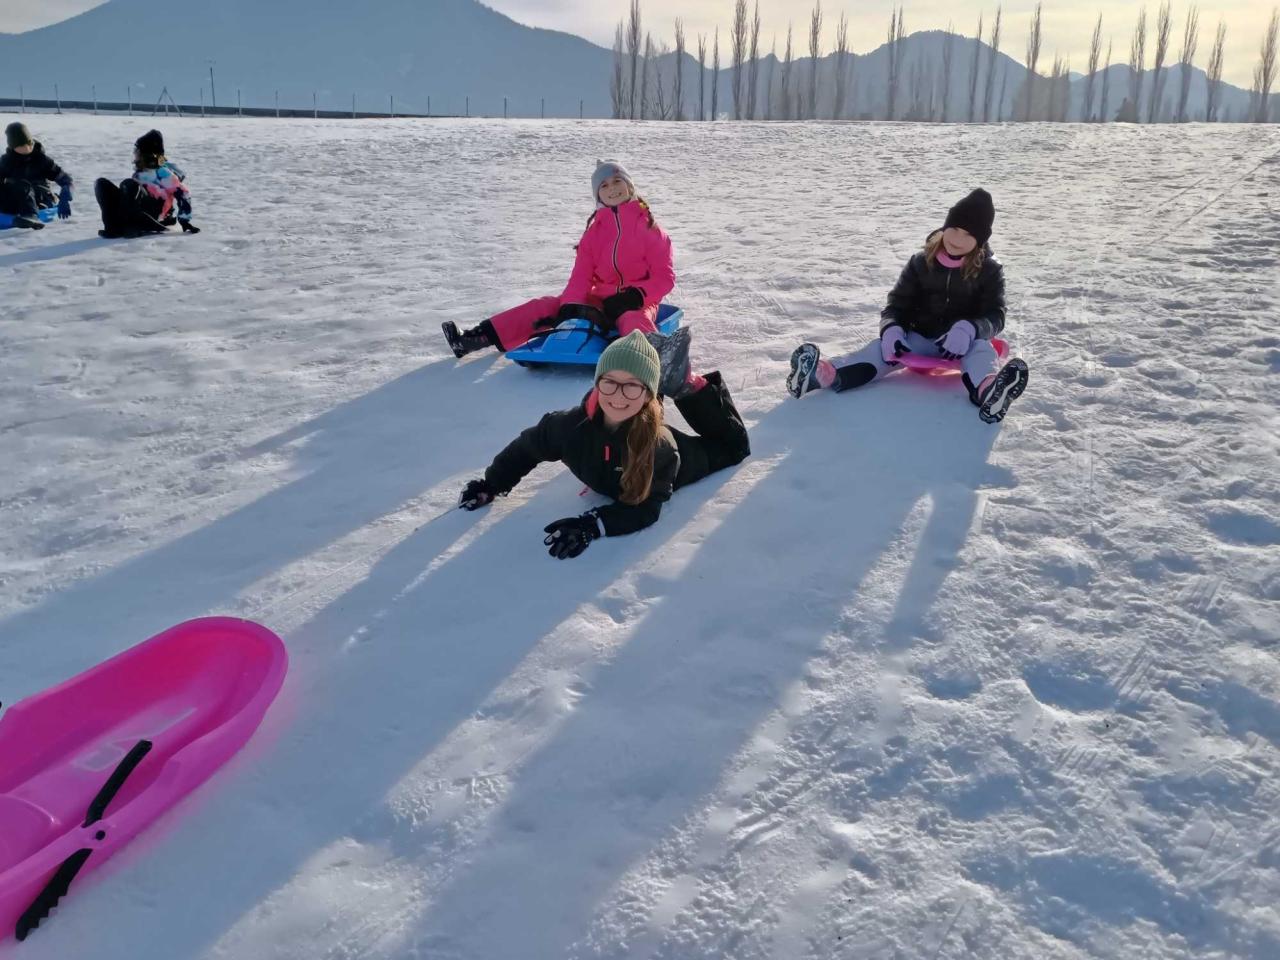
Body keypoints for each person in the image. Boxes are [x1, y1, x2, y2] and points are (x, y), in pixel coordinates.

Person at [458, 331, 750, 559]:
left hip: (695, 453)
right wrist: (491, 484)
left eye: (632, 385)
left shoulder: (660, 448)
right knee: (623, 407)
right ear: (597, 383)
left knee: (734, 448)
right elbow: (527, 448)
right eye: (609, 382)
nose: (618, 395)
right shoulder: (567, 427)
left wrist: (593, 525)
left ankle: (684, 382)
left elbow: (645, 508)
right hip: (634, 417)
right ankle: (651, 370)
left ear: (648, 394)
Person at [442, 160, 692, 396]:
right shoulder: (594, 234)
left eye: (617, 181)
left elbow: (664, 277)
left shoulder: (650, 229)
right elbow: (580, 276)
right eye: (604, 185)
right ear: (598, 195)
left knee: (632, 320)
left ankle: (657, 363)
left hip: (638, 300)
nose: (612, 189)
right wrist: (571, 305)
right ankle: (476, 337)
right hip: (600, 299)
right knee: (546, 305)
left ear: (629, 186)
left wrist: (636, 295)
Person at [786, 188, 1029, 423]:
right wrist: (892, 328)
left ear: (980, 240)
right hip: (919, 339)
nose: (957, 239)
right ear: (945, 226)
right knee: (880, 350)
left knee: (982, 352)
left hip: (964, 345)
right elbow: (896, 304)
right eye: (954, 228)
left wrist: (969, 329)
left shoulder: (989, 270)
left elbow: (996, 314)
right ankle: (822, 375)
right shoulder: (921, 262)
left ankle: (990, 392)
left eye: (968, 234)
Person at [95, 129, 200, 239]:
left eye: (137, 151)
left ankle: (132, 226)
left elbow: (183, 193)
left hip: (154, 215)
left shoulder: (163, 173)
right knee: (102, 184)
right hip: (138, 212)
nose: (135, 154)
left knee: (129, 185)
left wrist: (184, 220)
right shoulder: (140, 173)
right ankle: (113, 228)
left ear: (146, 154)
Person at [0, 122, 73, 230]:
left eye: (28, 144)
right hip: (17, 198)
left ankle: (31, 216)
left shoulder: (42, 160)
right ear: (13, 147)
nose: (26, 148)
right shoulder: (7, 161)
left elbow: (65, 179)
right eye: (21, 146)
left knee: (23, 185)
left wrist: (65, 195)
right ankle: (15, 218)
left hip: (41, 198)